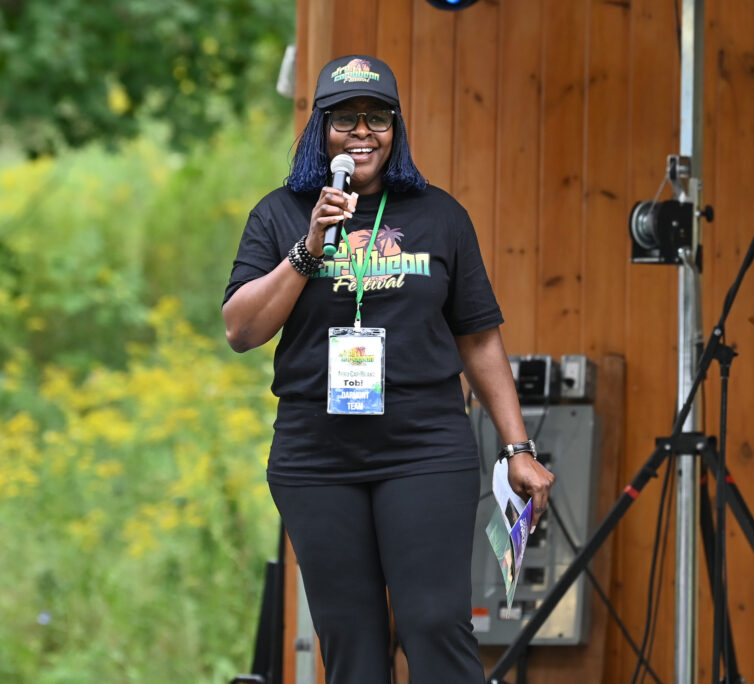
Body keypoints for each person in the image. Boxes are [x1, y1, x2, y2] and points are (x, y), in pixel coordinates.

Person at [222, 54, 554, 684]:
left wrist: (518, 448)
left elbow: (479, 338)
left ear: (395, 128)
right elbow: (242, 330)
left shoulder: (440, 215)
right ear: (320, 130)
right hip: (317, 456)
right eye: (344, 119)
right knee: (352, 641)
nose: (362, 133)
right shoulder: (280, 213)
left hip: (424, 447)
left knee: (434, 623)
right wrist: (308, 249)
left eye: (377, 118)